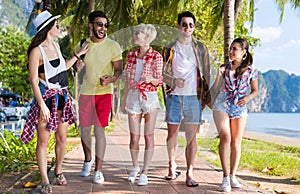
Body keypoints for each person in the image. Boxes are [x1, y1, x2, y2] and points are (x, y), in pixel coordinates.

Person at [20, 10, 89, 194]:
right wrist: (41, 104)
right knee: (43, 141)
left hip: (62, 98)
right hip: (47, 99)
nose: (59, 27)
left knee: (62, 137)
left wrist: (78, 55)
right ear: (48, 28)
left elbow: (62, 69)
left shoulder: (57, 46)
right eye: (56, 25)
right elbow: (34, 80)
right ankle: (44, 180)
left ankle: (58, 171)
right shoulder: (36, 51)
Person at [162, 11, 211, 187]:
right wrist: (173, 81)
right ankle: (171, 165)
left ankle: (190, 172)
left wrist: (205, 97)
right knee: (172, 134)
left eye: (191, 25)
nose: (187, 28)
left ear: (194, 27)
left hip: (193, 97)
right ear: (178, 26)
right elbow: (163, 73)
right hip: (174, 97)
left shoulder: (200, 48)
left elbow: (207, 73)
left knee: (191, 137)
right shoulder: (169, 48)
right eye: (184, 24)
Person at [77, 10, 123, 184]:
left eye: (105, 25)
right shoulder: (82, 44)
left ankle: (99, 170)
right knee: (84, 131)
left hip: (104, 93)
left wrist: (111, 79)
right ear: (91, 25)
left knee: (99, 130)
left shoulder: (113, 46)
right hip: (85, 93)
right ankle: (88, 160)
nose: (103, 28)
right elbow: (77, 67)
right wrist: (78, 65)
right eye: (99, 24)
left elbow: (119, 69)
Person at [211, 38, 258, 192]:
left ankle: (232, 175)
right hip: (222, 104)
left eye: (235, 49)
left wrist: (247, 98)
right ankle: (225, 177)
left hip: (239, 107)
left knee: (236, 143)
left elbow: (255, 90)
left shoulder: (251, 71)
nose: (231, 52)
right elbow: (216, 87)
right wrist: (219, 74)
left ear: (243, 52)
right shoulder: (224, 68)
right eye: (230, 48)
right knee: (225, 137)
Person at [120, 24, 163, 186]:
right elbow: (126, 80)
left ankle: (145, 172)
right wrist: (124, 101)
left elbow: (159, 81)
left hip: (149, 97)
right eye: (135, 32)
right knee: (134, 137)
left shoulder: (156, 56)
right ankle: (135, 167)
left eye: (138, 33)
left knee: (148, 136)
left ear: (147, 37)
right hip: (133, 96)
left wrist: (149, 79)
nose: (135, 34)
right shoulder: (131, 55)